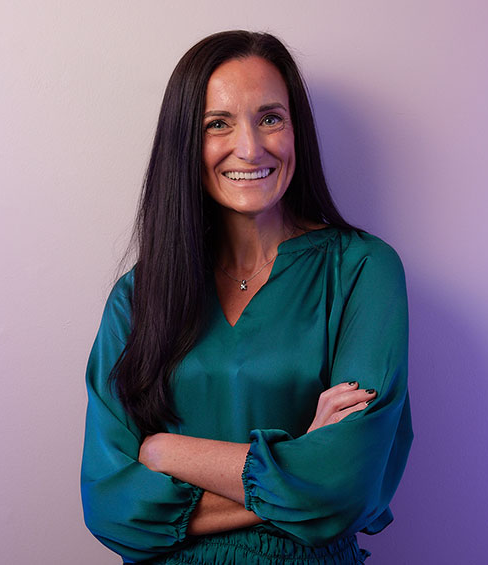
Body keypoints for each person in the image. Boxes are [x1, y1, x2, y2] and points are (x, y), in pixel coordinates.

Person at [80, 31, 412, 564]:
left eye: (270, 118)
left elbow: (349, 486)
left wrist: (168, 452)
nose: (250, 147)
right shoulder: (137, 297)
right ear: (187, 141)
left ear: (295, 128)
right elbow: (109, 504)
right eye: (219, 123)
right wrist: (300, 467)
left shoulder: (363, 271)